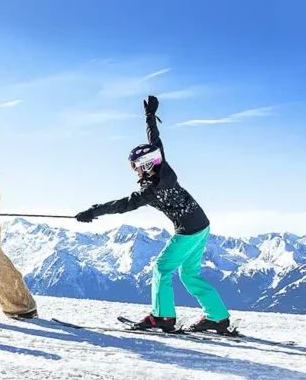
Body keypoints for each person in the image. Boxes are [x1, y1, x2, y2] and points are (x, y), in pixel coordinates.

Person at [74, 95, 232, 334]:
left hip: (188, 231)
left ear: (147, 165)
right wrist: (149, 117)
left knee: (161, 269)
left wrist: (93, 211)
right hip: (201, 225)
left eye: (135, 166)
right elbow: (154, 139)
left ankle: (163, 316)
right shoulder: (165, 169)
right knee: (190, 275)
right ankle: (218, 318)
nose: (134, 170)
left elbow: (122, 205)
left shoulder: (150, 191)